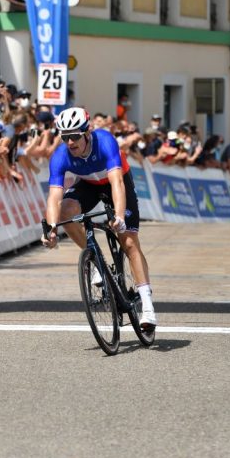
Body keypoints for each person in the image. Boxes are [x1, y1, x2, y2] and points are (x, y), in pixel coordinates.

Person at [40, 107, 156, 329]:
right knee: (66, 211)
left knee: (129, 240)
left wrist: (119, 216)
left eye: (74, 136)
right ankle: (94, 261)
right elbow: (54, 195)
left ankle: (148, 305)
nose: (70, 142)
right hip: (89, 185)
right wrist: (52, 230)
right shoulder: (61, 156)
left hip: (117, 181)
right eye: (65, 137)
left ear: (87, 132)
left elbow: (117, 183)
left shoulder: (104, 141)